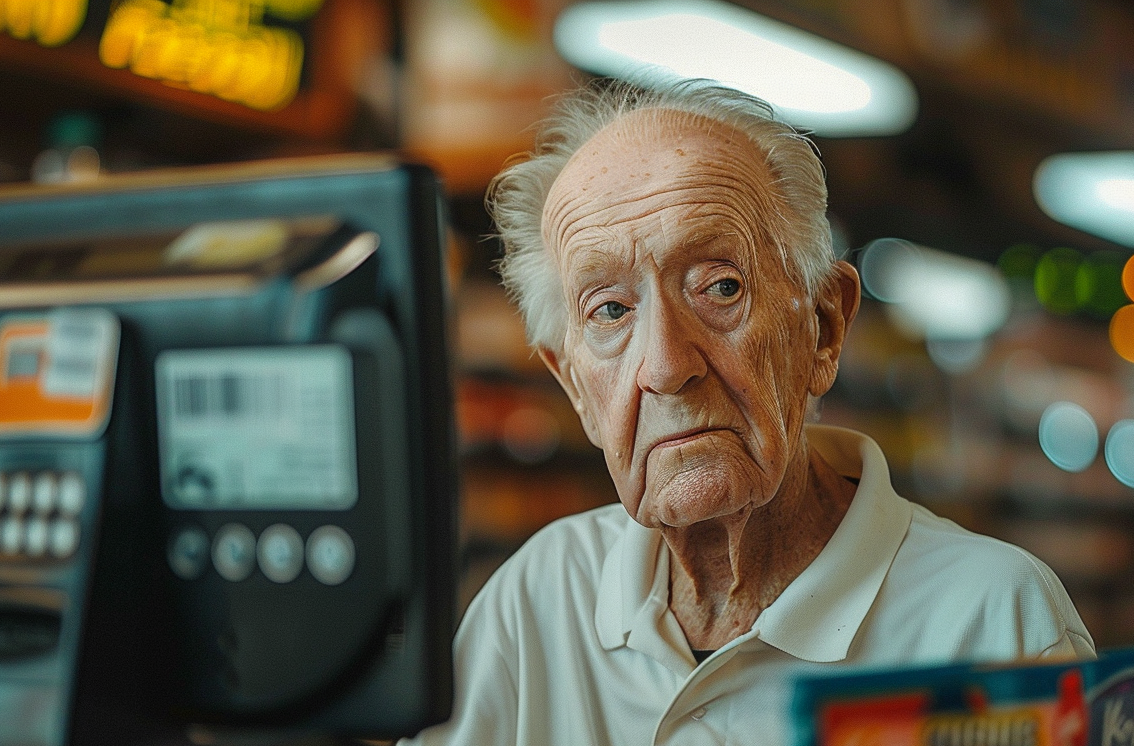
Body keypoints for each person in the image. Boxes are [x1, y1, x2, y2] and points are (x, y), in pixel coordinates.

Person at [407, 78, 1094, 746]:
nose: (666, 365)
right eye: (610, 310)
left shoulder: (995, 620)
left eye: (718, 287)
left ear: (822, 328)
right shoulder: (536, 599)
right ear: (575, 389)